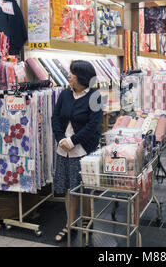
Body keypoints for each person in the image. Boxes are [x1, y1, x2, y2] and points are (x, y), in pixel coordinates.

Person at [51, 60, 103, 242]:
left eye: (72, 73)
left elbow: (93, 125)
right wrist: (61, 139)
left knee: (85, 188)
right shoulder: (65, 94)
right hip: (63, 149)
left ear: (81, 76)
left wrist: (72, 141)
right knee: (68, 188)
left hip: (83, 149)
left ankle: (87, 220)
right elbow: (55, 118)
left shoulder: (95, 96)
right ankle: (70, 223)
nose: (69, 76)